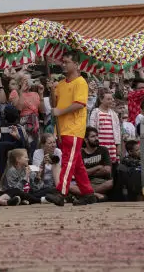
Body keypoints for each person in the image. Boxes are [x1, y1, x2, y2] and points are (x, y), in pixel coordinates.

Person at [49, 52, 96, 205]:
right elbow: (53, 103)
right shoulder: (61, 84)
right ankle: (88, 193)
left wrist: (60, 112)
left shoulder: (81, 82)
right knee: (76, 164)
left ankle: (61, 192)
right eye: (63, 61)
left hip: (74, 129)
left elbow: (79, 104)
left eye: (67, 62)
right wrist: (51, 89)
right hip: (63, 129)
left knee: (68, 162)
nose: (63, 64)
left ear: (76, 65)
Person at [89, 90, 122, 163]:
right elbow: (92, 128)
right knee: (100, 162)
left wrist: (118, 145)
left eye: (111, 99)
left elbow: (117, 131)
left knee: (112, 164)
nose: (111, 101)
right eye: (108, 99)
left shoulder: (114, 114)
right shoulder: (95, 112)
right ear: (101, 100)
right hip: (100, 144)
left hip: (111, 145)